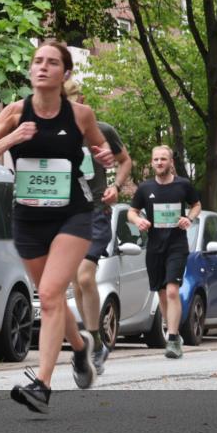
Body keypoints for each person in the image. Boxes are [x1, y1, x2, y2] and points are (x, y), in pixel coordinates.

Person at [0, 40, 115, 413]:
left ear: (64, 73)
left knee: (51, 295)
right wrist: (12, 138)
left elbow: (105, 153)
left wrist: (107, 155)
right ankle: (81, 349)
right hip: (28, 218)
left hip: (73, 214)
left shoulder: (81, 114)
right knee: (50, 297)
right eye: (38, 61)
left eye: (52, 62)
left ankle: (43, 386)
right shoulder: (14, 113)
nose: (43, 67)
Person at [64, 79, 133, 375]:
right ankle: (95, 343)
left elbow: (125, 160)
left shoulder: (101, 130)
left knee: (85, 277)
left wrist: (116, 186)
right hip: (65, 215)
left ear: (82, 97)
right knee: (77, 283)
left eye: (72, 99)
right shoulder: (54, 133)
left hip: (95, 212)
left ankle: (93, 341)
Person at [127, 146, 201, 359]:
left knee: (171, 291)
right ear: (152, 163)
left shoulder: (183, 185)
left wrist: (190, 218)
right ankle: (173, 331)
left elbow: (196, 205)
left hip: (177, 245)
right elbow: (131, 212)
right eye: (156, 159)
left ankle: (172, 338)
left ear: (170, 162)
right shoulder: (145, 187)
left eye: (163, 159)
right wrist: (138, 220)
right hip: (155, 247)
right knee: (161, 293)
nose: (159, 162)